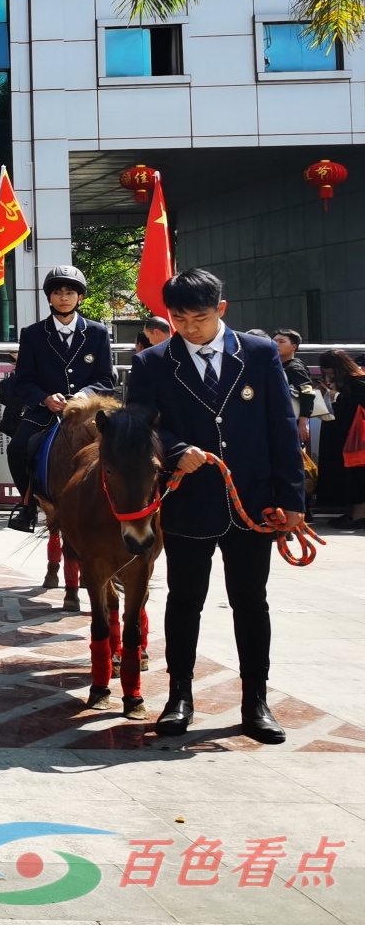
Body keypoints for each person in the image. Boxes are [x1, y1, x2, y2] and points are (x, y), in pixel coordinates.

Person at [127, 268, 304, 744]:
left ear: (221, 310)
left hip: (254, 501)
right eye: (179, 318)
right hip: (189, 500)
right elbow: (141, 425)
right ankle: (179, 697)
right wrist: (173, 448)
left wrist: (292, 498)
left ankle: (255, 700)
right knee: (185, 600)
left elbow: (282, 426)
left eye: (199, 318)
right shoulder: (152, 363)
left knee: (251, 601)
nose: (189, 327)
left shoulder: (261, 354)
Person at [5, 265, 116, 532]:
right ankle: (27, 505)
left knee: (123, 445)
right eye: (57, 292)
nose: (64, 297)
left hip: (88, 410)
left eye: (70, 292)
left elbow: (106, 379)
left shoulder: (98, 332)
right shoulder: (32, 334)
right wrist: (44, 398)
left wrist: (83, 395)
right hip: (47, 410)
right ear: (49, 297)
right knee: (17, 449)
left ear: (80, 297)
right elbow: (23, 380)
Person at [315, 349, 365, 529]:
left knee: (356, 475)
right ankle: (351, 513)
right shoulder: (347, 380)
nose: (328, 373)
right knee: (348, 476)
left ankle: (358, 516)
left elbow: (352, 404)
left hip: (354, 436)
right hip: (343, 435)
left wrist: (333, 395)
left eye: (330, 369)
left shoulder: (356, 382)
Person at [274, 329, 318, 449]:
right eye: (274, 341)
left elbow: (307, 393)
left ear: (294, 346)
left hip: (292, 423)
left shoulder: (295, 367)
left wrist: (303, 423)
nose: (276, 344)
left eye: (281, 341)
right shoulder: (278, 366)